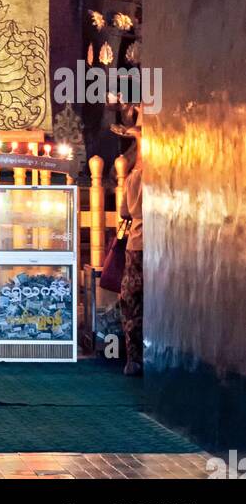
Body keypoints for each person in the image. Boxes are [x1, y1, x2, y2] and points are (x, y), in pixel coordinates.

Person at [112, 109, 143, 375]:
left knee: (132, 303)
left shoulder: (133, 179)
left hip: (136, 247)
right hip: (155, 249)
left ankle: (133, 359)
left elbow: (123, 213)